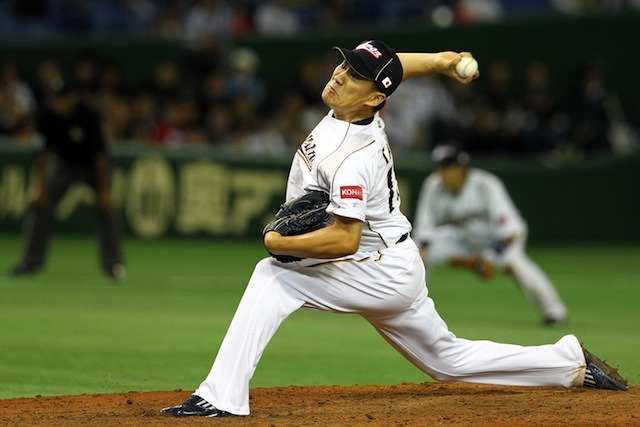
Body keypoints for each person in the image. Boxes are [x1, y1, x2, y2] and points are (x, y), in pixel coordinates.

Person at [161, 40, 627, 419]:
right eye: (343, 65)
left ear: (375, 98)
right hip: (390, 259)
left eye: (354, 76)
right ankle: (568, 363)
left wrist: (279, 242)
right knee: (447, 360)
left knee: (273, 275)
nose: (339, 75)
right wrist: (442, 61)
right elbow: (392, 64)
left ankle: (221, 397)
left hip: (375, 266)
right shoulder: (354, 105)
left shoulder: (353, 158)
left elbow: (343, 239)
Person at [412, 143, 568, 326]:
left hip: (500, 241)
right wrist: (421, 250)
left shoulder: (486, 184)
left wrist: (488, 258)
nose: (443, 173)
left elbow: (511, 232)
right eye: (440, 168)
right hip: (463, 241)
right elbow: (424, 227)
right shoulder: (433, 185)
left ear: (462, 168)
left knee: (515, 263)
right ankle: (413, 311)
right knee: (416, 255)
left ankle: (554, 313)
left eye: (448, 168)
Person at [9, 80, 125, 280]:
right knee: (40, 205)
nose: (58, 102)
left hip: (92, 167)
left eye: (62, 98)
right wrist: (40, 188)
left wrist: (104, 191)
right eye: (55, 98)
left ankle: (113, 264)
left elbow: (100, 156)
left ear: (72, 98)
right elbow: (42, 155)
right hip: (63, 166)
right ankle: (30, 261)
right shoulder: (48, 115)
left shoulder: (88, 115)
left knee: (107, 209)